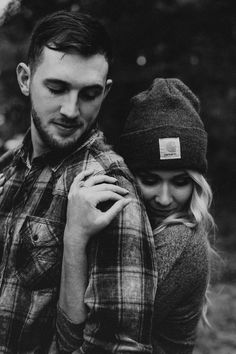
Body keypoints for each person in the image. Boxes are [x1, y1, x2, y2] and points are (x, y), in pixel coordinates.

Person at [0, 10, 157, 353]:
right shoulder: (9, 170)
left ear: (106, 91)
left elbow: (119, 347)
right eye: (57, 88)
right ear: (25, 79)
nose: (72, 111)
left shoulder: (108, 188)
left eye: (89, 94)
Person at [63, 78, 215, 353]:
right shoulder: (134, 226)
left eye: (180, 182)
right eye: (150, 179)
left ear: (196, 184)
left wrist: (74, 240)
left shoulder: (179, 241)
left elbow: (78, 339)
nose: (165, 198)